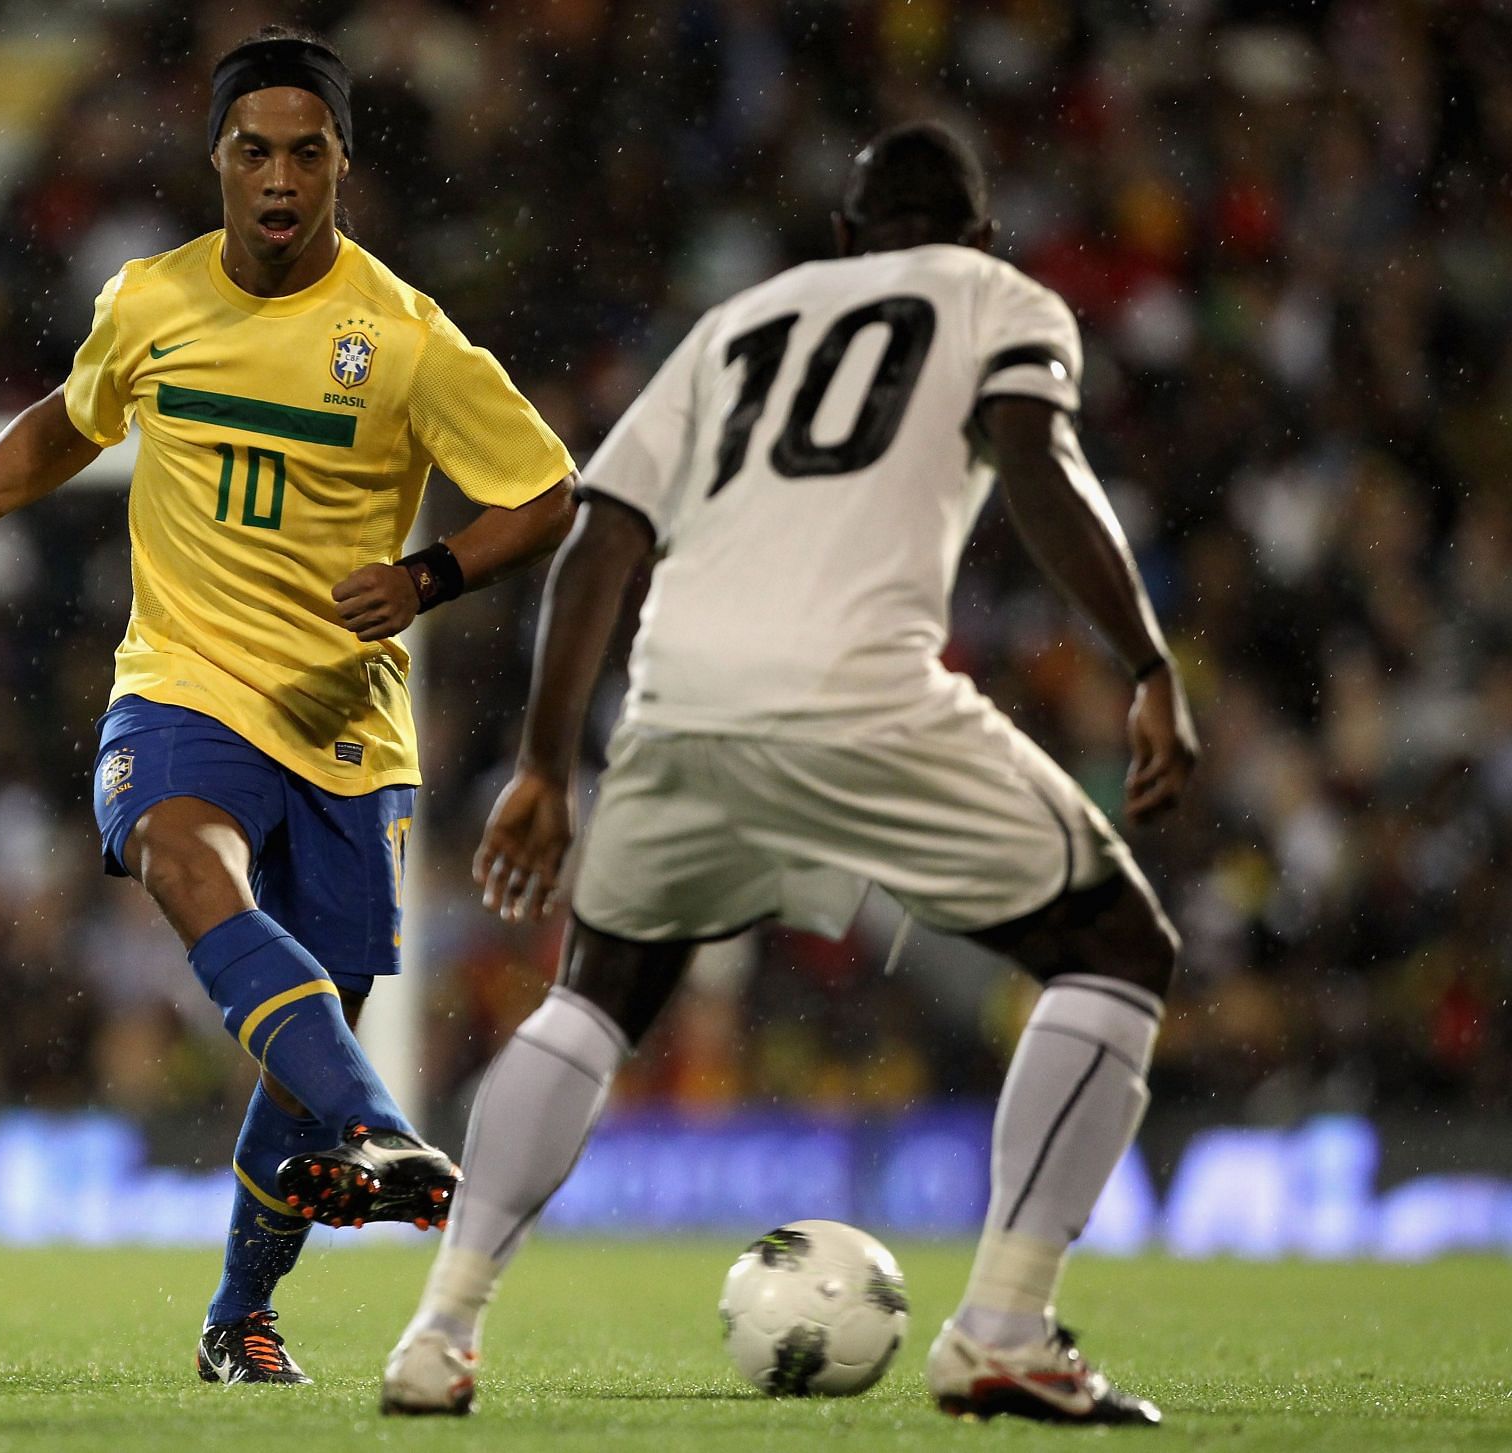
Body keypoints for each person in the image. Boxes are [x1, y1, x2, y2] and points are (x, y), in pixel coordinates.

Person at [382, 122, 1199, 1425]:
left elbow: (601, 532)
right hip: (862, 693)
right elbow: (1037, 461)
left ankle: (440, 1328)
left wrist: (545, 762)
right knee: (1117, 949)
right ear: (980, 237)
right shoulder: (997, 295)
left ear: (841, 243)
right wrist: (1147, 659)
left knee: (595, 996)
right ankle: (1003, 1325)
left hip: (678, 698)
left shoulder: (739, 323)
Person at [0, 27, 576, 1388]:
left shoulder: (401, 337)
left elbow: (547, 488)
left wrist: (428, 571)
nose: (279, 177)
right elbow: (65, 420)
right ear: (216, 161)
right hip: (180, 684)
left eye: (307, 152)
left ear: (344, 163)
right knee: (174, 845)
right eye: (253, 151)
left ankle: (240, 1315)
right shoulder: (150, 301)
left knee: (299, 1048)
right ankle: (380, 1126)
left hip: (345, 728)